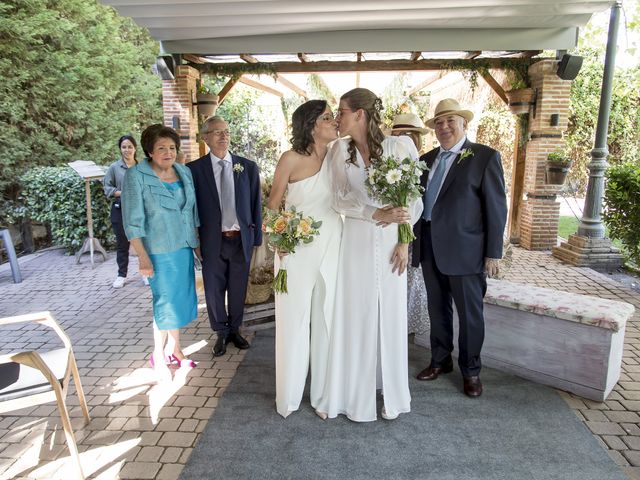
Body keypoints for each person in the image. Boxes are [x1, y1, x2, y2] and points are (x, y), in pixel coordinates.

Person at [316, 88, 422, 422]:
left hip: (393, 241)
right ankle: (353, 394)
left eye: (342, 112)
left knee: (389, 313)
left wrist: (405, 241)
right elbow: (338, 198)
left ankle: (391, 394)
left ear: (360, 114)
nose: (337, 118)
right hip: (359, 238)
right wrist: (373, 213)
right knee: (356, 311)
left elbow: (414, 199)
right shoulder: (339, 151)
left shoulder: (399, 146)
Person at [412, 98, 508, 397]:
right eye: (439, 123)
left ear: (463, 124)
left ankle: (471, 370)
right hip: (429, 248)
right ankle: (440, 361)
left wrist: (493, 253)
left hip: (467, 253)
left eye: (450, 121)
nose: (444, 127)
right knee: (437, 311)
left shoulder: (484, 157)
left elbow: (496, 208)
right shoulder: (424, 161)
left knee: (470, 316)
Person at [267, 100, 342, 418]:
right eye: (328, 117)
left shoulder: (341, 155)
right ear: (311, 125)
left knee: (327, 320)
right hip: (295, 249)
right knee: (293, 323)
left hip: (333, 245)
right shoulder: (290, 158)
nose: (335, 121)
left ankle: (324, 397)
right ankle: (289, 396)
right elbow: (272, 206)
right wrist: (276, 241)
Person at [122, 125, 200, 380]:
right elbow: (132, 222)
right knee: (165, 303)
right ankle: (158, 356)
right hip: (158, 252)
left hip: (183, 247)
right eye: (161, 148)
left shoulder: (184, 172)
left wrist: (196, 244)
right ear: (149, 151)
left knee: (178, 301)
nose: (168, 153)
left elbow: (192, 212)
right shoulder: (136, 177)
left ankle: (175, 349)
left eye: (172, 148)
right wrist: (142, 257)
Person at [187, 116, 262, 357]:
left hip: (240, 239)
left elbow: (255, 205)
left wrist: (256, 238)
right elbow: (191, 208)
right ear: (205, 137)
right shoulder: (194, 170)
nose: (223, 136)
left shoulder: (247, 167)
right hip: (212, 240)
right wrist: (195, 240)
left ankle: (235, 329)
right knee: (214, 289)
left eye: (226, 131)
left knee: (238, 287)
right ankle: (221, 331)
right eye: (217, 132)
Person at [390, 113, 431, 339]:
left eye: (408, 134)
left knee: (414, 282)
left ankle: (408, 330)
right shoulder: (387, 165)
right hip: (393, 230)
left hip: (417, 234)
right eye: (399, 134)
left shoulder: (422, 163)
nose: (403, 139)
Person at [103, 135, 138, 288]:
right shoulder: (114, 168)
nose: (127, 150)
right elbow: (107, 189)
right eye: (124, 147)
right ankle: (121, 275)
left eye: (130, 146)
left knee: (142, 243)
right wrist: (123, 192)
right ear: (120, 149)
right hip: (121, 209)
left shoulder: (142, 166)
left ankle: (145, 273)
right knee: (122, 244)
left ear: (135, 148)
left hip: (139, 210)